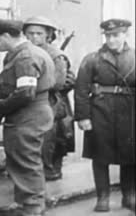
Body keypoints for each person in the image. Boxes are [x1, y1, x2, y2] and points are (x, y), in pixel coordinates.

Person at [0, 19, 55, 216]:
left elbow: (25, 92)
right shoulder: (23, 54)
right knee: (23, 158)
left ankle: (32, 207)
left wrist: (1, 107)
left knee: (26, 160)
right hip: (29, 113)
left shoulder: (25, 57)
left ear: (6, 36)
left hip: (29, 114)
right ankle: (26, 203)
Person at [74, 18, 135, 212]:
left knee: (131, 155)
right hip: (100, 111)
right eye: (108, 36)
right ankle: (103, 197)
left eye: (116, 35)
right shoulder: (92, 59)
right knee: (100, 155)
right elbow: (81, 89)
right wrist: (83, 117)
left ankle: (129, 195)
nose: (111, 40)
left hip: (130, 111)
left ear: (125, 35)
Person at [23, 16, 75, 181]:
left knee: (51, 140)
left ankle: (50, 173)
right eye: (30, 33)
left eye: (39, 33)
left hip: (52, 102)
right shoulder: (26, 52)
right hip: (31, 102)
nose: (34, 37)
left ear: (48, 35)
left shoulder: (55, 55)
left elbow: (59, 83)